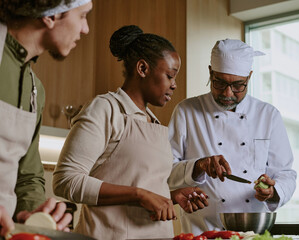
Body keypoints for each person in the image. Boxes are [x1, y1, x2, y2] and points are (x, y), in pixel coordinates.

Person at [52, 25, 209, 240]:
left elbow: (141, 184)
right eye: (169, 76)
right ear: (142, 69)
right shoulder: (105, 109)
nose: (174, 85)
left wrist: (170, 196)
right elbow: (66, 181)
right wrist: (139, 194)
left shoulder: (152, 121)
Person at [167, 39, 297, 234]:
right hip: (202, 231)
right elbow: (165, 171)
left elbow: (286, 174)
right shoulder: (187, 111)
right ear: (210, 72)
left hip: (253, 232)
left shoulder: (268, 115)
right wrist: (198, 166)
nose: (228, 93)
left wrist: (273, 191)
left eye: (238, 85)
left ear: (249, 77)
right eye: (219, 83)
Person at [0, 0, 93, 235]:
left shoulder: (34, 89)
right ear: (51, 16)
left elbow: (27, 176)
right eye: (82, 16)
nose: (85, 29)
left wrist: (30, 213)